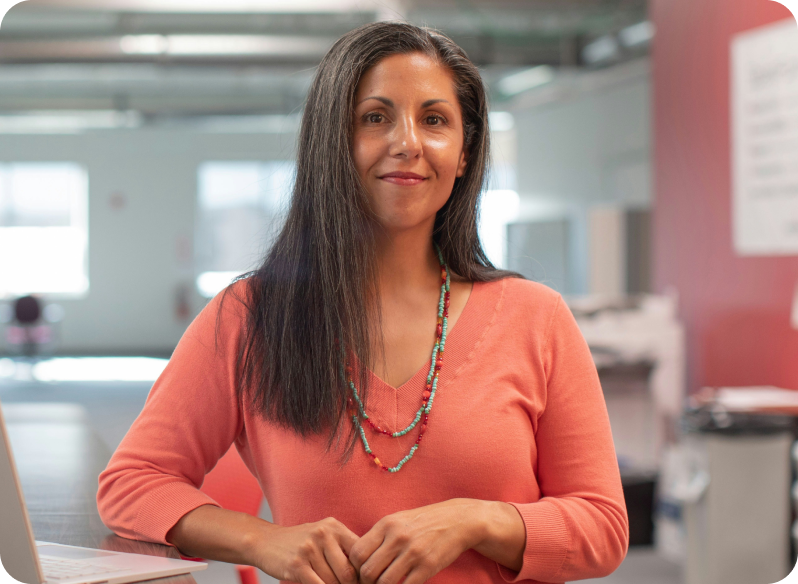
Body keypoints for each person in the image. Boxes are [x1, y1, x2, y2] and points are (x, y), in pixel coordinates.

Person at [98, 22, 628, 584]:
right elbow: (132, 483)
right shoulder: (250, 317)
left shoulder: (536, 317)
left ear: (465, 153)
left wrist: (476, 521)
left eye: (434, 120)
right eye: (375, 117)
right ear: (333, 142)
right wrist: (263, 540)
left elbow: (603, 527)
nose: (408, 142)